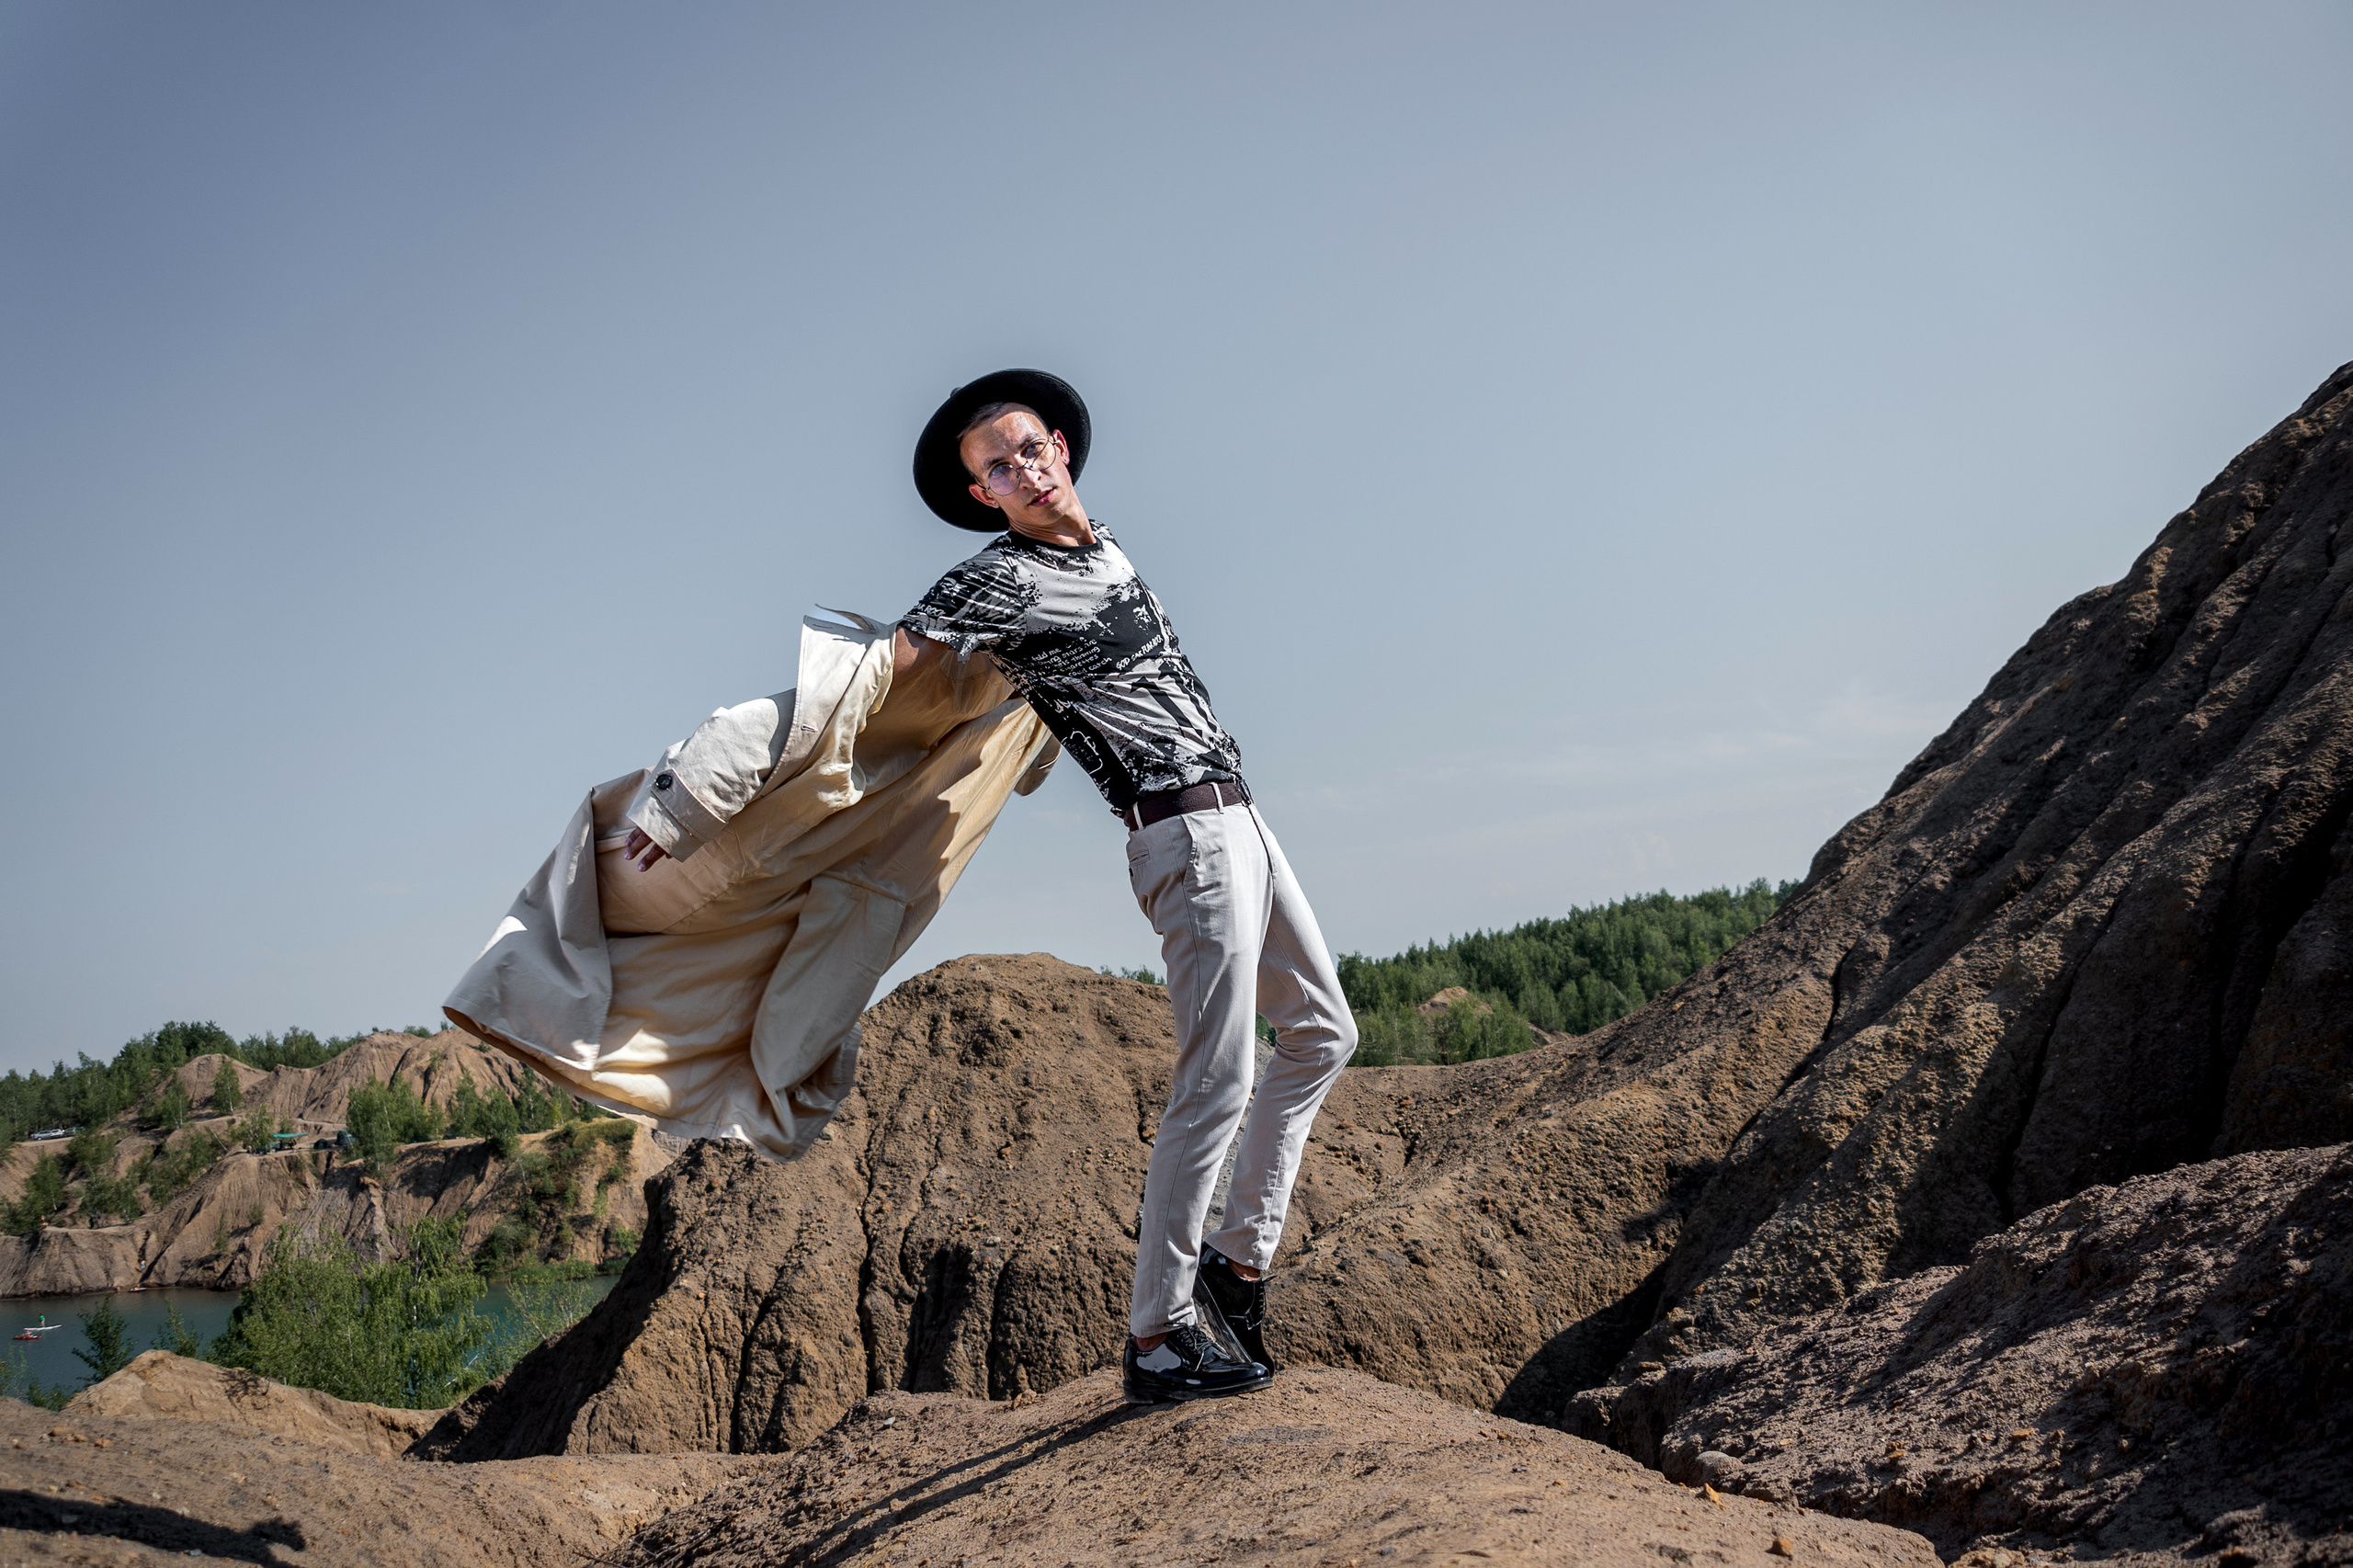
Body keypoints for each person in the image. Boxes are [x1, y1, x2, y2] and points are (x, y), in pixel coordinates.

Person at [892, 369, 1358, 1405]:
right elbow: (881, 669)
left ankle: (1236, 1265)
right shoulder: (996, 579)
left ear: (1060, 447)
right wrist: (721, 789)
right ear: (982, 495)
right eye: (996, 468)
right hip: (1179, 832)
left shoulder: (1106, 547)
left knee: (1324, 1032)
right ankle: (1157, 1334)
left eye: (1029, 448)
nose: (1022, 470)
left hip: (1241, 817)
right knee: (1217, 1078)